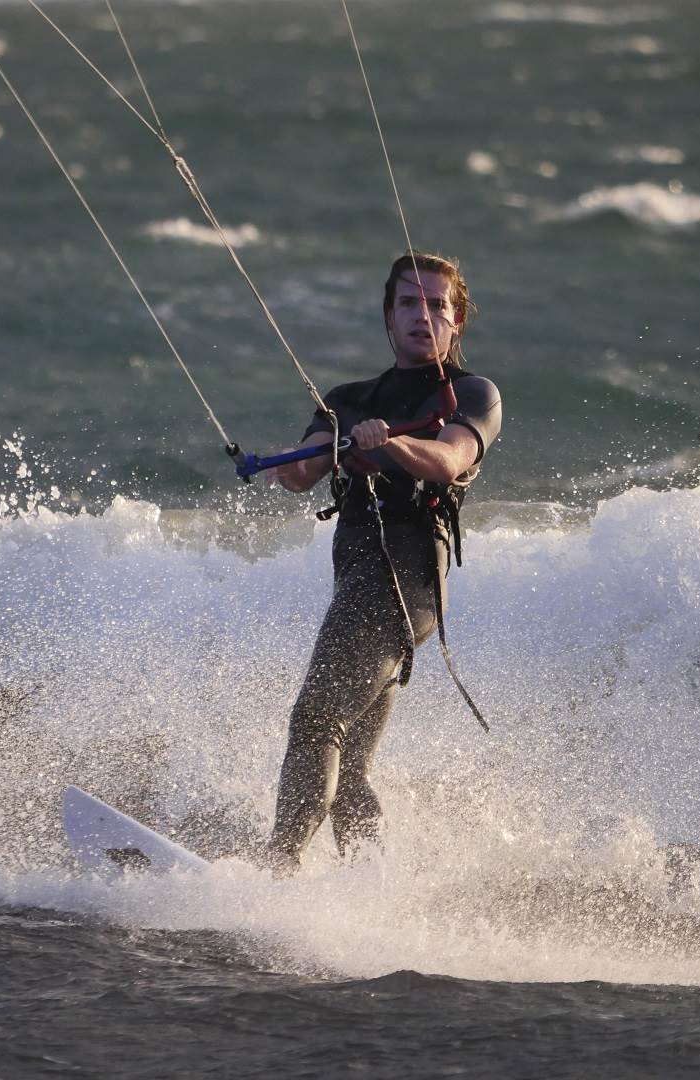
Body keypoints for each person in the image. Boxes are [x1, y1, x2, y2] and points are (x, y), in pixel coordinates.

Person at [263, 252, 503, 872]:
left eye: (437, 305)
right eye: (408, 303)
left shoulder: (471, 394)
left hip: (405, 582)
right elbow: (305, 469)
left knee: (318, 718)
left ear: (457, 321)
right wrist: (285, 464)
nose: (423, 315)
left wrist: (389, 440)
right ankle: (374, 894)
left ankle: (278, 868)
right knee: (347, 767)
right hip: (357, 578)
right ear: (388, 317)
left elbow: (449, 461)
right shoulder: (347, 400)